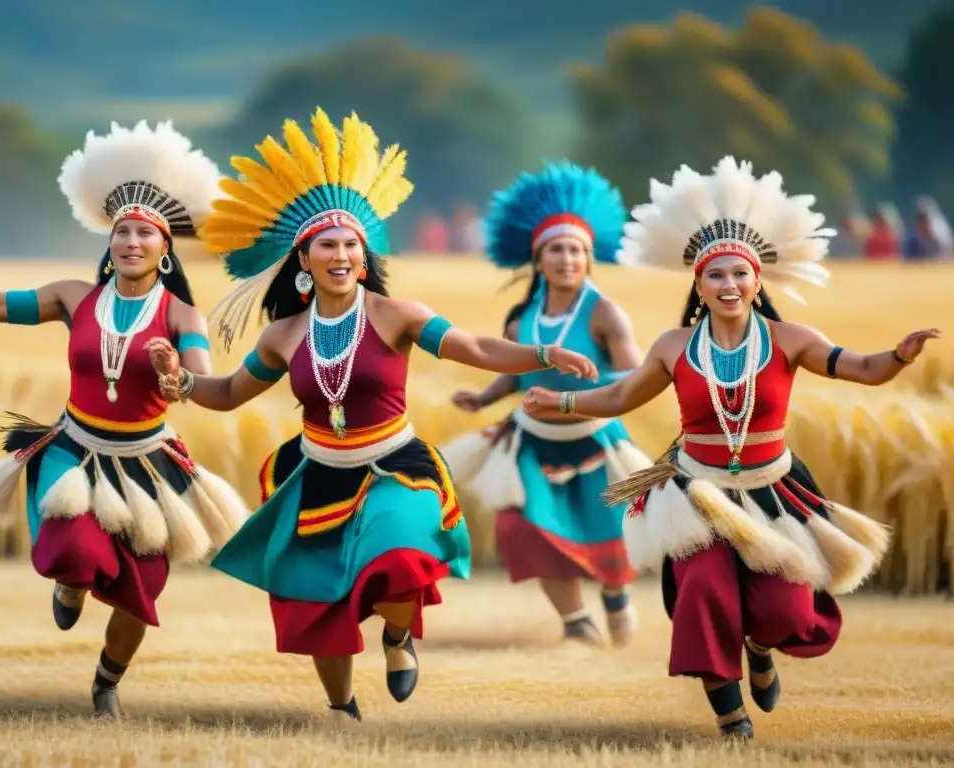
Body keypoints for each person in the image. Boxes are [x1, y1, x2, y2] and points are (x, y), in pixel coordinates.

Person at [143, 108, 598, 724]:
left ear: (364, 255)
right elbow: (227, 393)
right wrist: (181, 380)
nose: (340, 253)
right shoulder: (283, 334)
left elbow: (478, 349)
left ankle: (398, 635)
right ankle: (341, 707)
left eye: (350, 244)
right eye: (326, 244)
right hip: (317, 474)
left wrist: (543, 353)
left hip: (393, 465)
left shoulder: (396, 315)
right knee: (316, 607)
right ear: (304, 260)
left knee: (402, 553)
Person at [521, 156, 940, 740]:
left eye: (739, 275)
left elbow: (864, 369)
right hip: (695, 493)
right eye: (715, 276)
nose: (728, 286)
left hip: (774, 492)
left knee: (784, 611)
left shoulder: (791, 339)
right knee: (704, 593)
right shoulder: (674, 346)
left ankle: (760, 647)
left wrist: (898, 357)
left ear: (757, 280)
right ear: (699, 284)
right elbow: (620, 397)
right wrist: (562, 403)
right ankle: (729, 715)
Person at [0, 120, 250, 717]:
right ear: (110, 242)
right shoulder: (74, 297)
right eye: (121, 231)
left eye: (144, 233)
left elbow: (199, 380)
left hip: (148, 463)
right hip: (73, 448)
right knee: (74, 547)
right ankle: (70, 580)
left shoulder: (183, 315)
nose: (131, 241)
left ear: (165, 248)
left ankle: (107, 681)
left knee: (142, 593)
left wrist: (172, 376)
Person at [442, 161, 653, 647]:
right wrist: (485, 396)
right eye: (555, 250)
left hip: (594, 440)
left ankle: (616, 596)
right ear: (538, 260)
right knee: (522, 529)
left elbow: (637, 376)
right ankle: (577, 622)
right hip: (533, 445)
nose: (565, 259)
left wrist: (572, 399)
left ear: (589, 257)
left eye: (575, 250)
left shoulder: (604, 311)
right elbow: (517, 372)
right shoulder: (522, 318)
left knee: (609, 528)